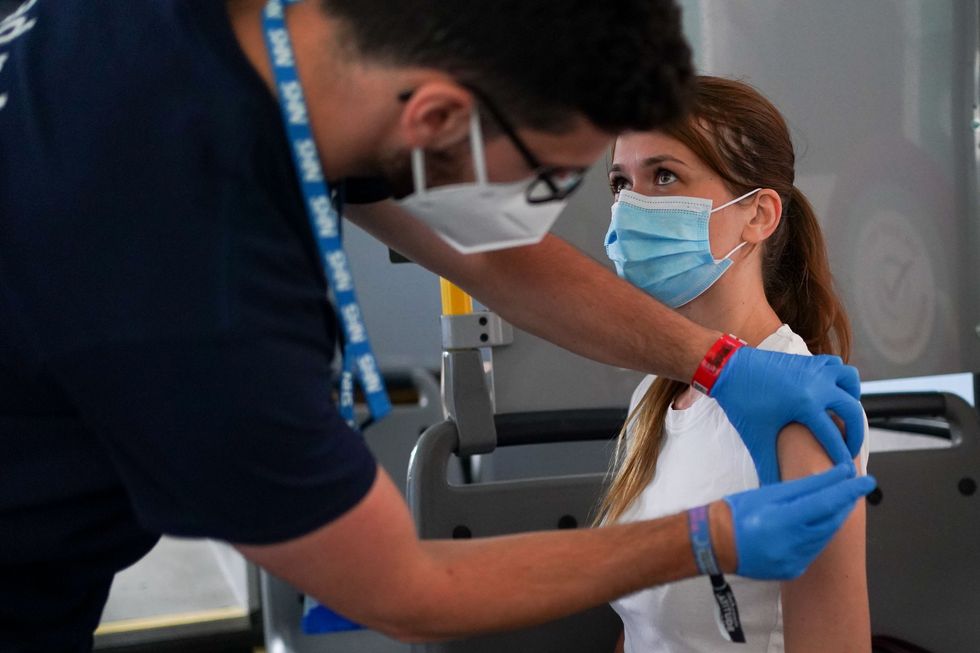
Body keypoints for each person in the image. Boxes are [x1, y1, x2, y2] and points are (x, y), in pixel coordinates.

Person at [0, 0, 872, 650]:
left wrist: (715, 362)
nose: (600, 215)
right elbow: (404, 589)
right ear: (434, 120)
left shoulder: (261, 45)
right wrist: (704, 538)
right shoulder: (197, 285)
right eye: (552, 180)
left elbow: (485, 252)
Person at [599, 76, 871, 652]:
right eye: (621, 182)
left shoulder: (803, 411)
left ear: (759, 215)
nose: (630, 207)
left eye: (664, 176)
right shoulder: (656, 391)